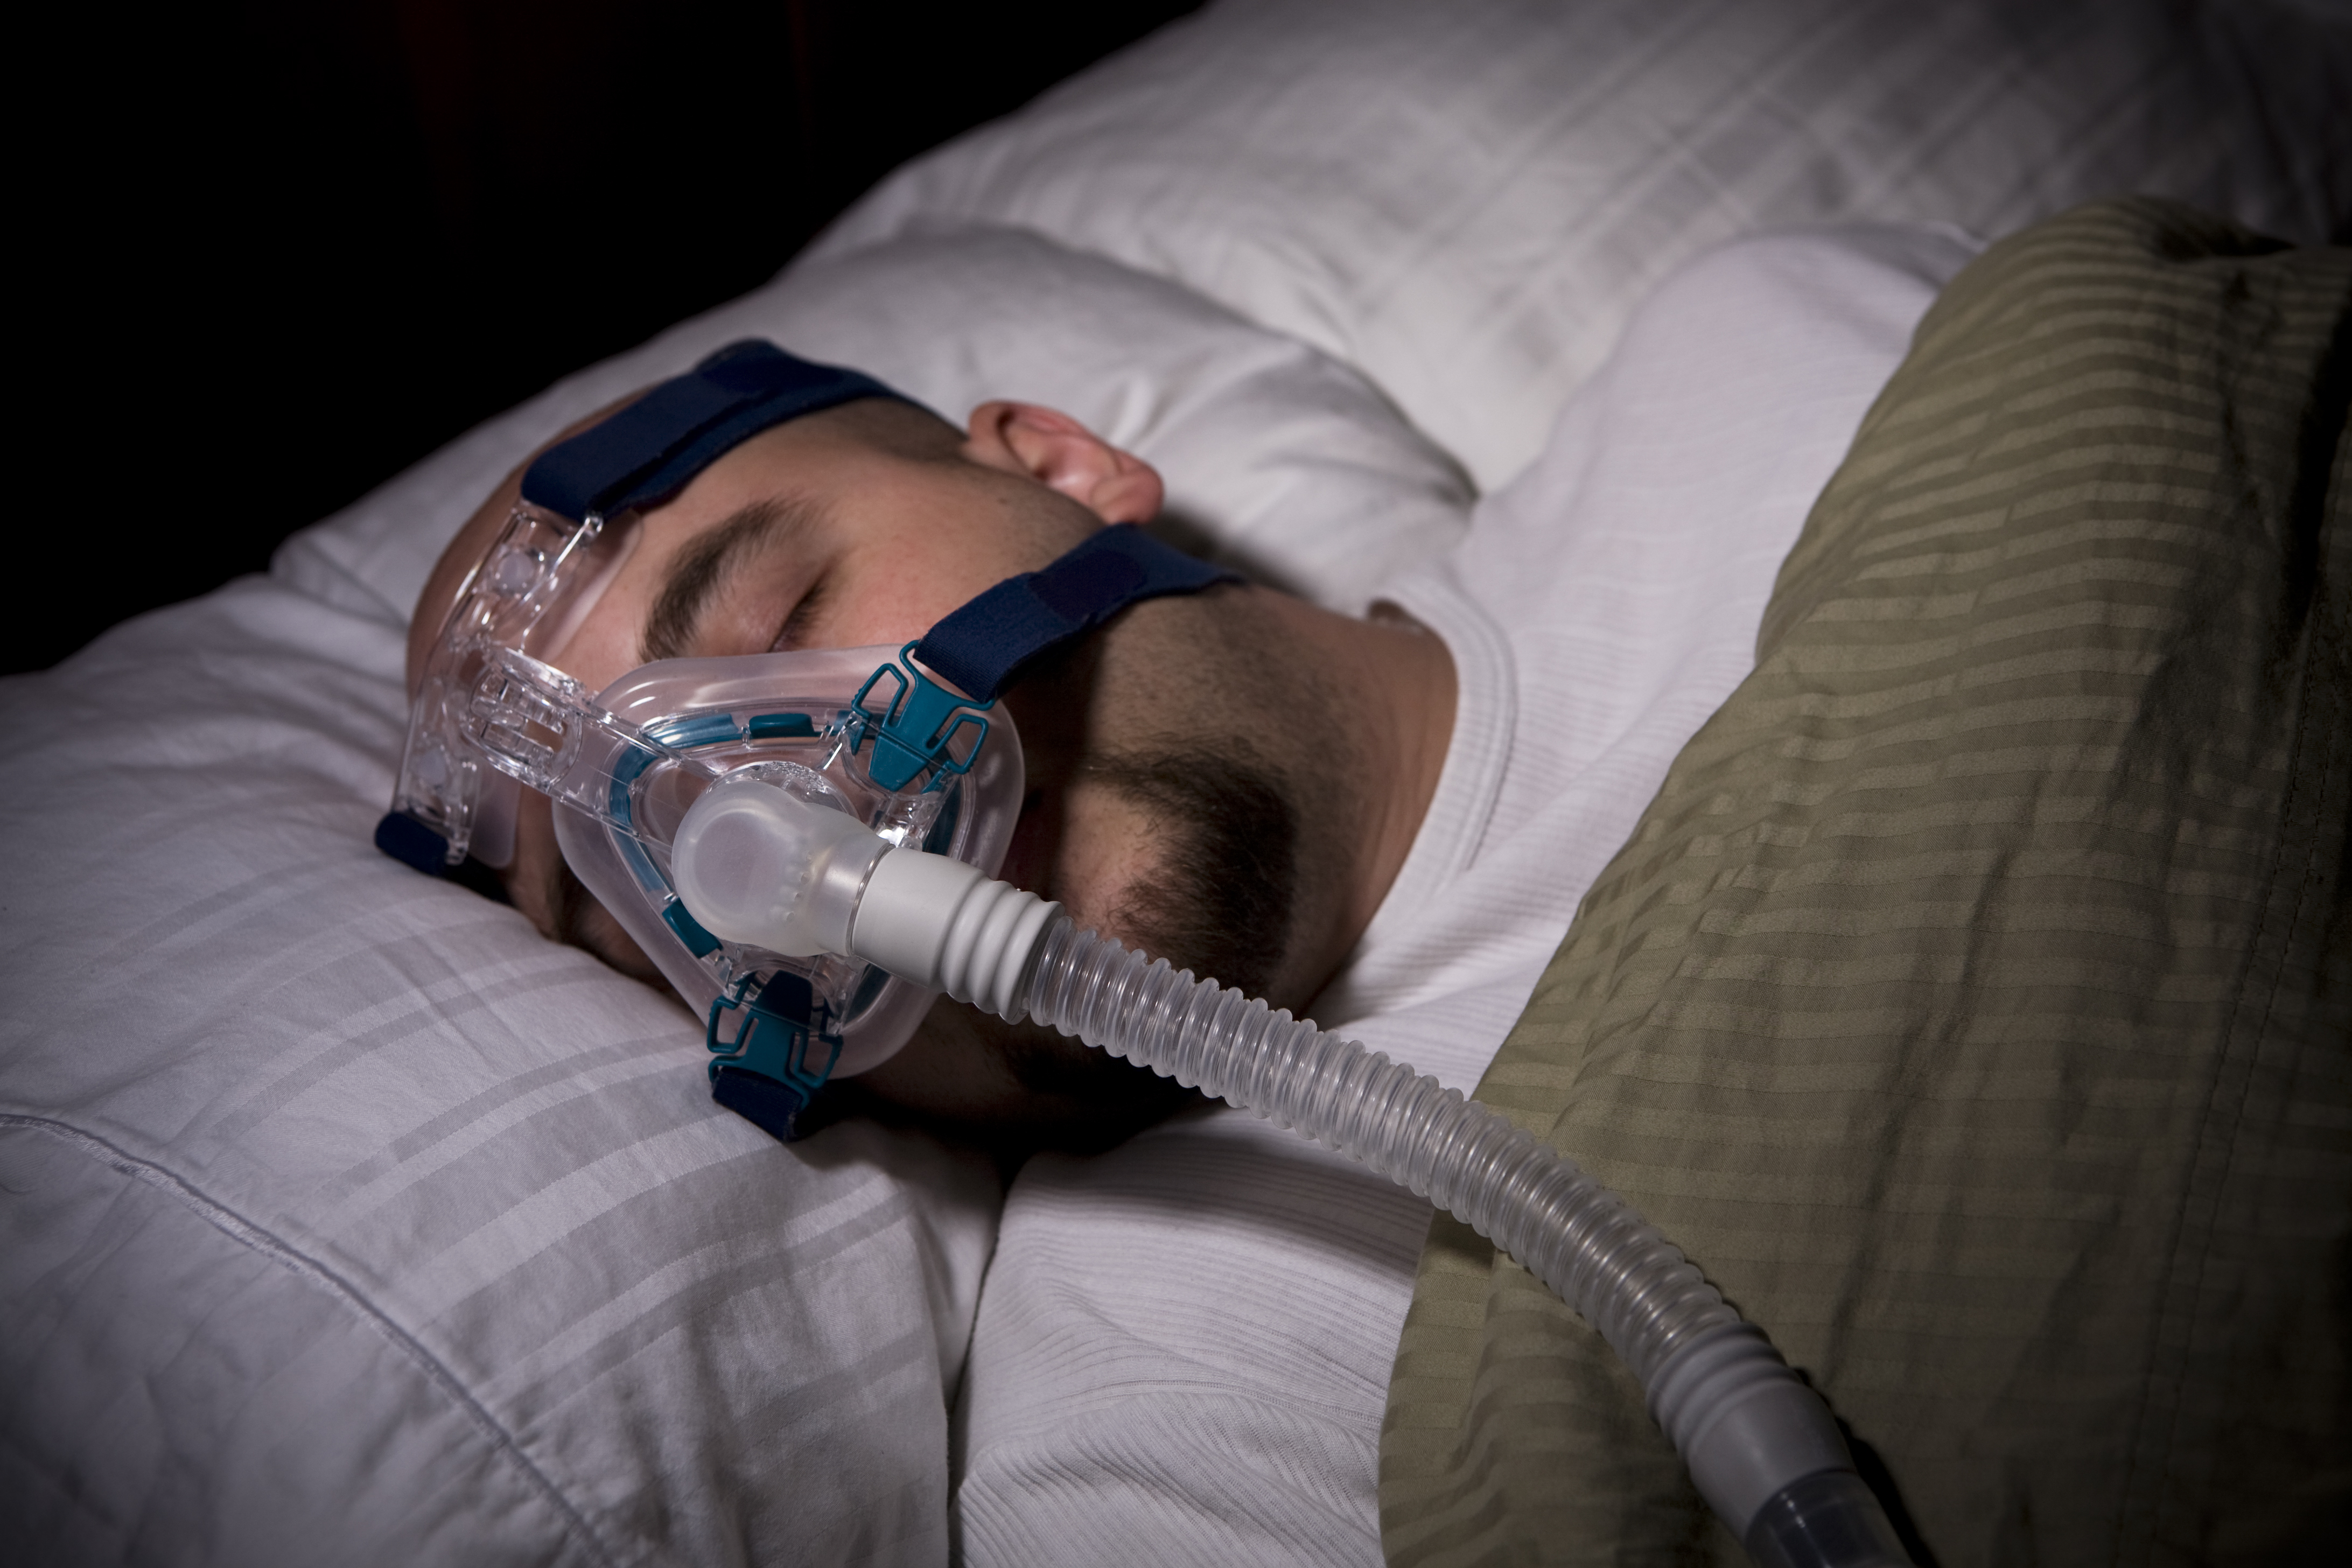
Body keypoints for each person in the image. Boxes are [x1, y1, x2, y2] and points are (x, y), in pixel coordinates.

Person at [411, 390, 1455, 1152]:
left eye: (781, 617)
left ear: (1056, 465)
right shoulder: (1178, 1409)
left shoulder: (1625, 505)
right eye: (632, 868)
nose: (769, 817)